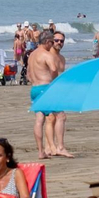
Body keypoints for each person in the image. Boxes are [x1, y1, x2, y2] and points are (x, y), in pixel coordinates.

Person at [30, 29, 70, 158]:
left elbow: (28, 74)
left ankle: (41, 151)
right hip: (46, 88)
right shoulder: (46, 54)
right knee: (61, 116)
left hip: (34, 89)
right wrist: (53, 82)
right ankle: (60, 147)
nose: (53, 44)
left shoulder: (32, 55)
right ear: (47, 42)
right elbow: (53, 69)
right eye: (52, 42)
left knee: (39, 120)